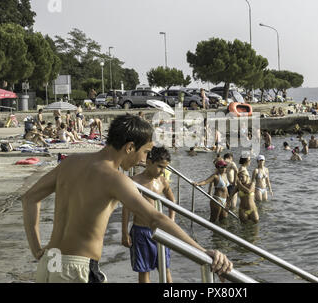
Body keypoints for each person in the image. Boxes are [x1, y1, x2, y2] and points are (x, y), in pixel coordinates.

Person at [22, 114, 232, 283]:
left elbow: (30, 198)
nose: (143, 160)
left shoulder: (71, 162)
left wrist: (37, 249)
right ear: (129, 147)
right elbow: (156, 219)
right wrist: (204, 252)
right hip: (77, 269)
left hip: (49, 263)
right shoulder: (115, 178)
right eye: (145, 152)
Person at [122, 147, 175, 283]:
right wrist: (124, 233)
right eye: (159, 166)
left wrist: (171, 222)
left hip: (160, 231)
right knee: (144, 270)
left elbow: (172, 202)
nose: (162, 171)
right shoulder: (135, 181)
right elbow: (127, 208)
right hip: (141, 231)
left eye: (165, 168)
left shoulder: (162, 181)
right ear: (149, 162)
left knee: (165, 268)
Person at [236, 153, 258, 224]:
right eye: (249, 160)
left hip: (248, 202)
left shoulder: (244, 169)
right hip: (245, 199)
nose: (250, 161)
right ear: (246, 161)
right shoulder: (242, 170)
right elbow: (239, 184)